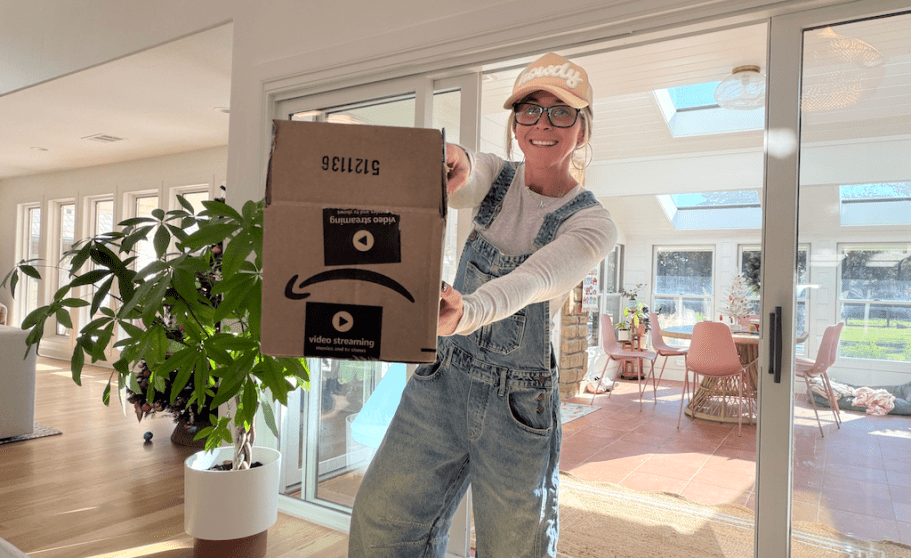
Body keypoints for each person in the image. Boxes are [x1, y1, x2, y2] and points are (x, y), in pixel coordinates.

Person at [349, 52, 618, 558]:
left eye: (562, 112)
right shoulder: (498, 177)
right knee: (380, 523)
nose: (543, 123)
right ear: (515, 126)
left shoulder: (594, 224)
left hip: (518, 409)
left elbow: (535, 278)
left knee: (515, 550)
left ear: (582, 130)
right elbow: (471, 170)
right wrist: (451, 159)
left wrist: (467, 311)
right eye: (529, 111)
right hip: (440, 383)